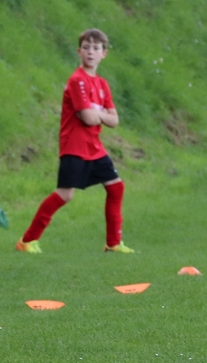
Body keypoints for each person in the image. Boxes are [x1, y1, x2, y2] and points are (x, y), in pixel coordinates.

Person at [16, 28, 134, 254]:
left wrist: (98, 115)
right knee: (65, 194)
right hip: (75, 147)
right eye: (86, 47)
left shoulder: (102, 84)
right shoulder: (77, 81)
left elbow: (114, 120)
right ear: (79, 52)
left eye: (96, 48)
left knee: (116, 187)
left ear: (104, 54)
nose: (91, 52)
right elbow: (89, 118)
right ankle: (27, 240)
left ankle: (113, 244)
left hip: (95, 148)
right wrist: (101, 114)